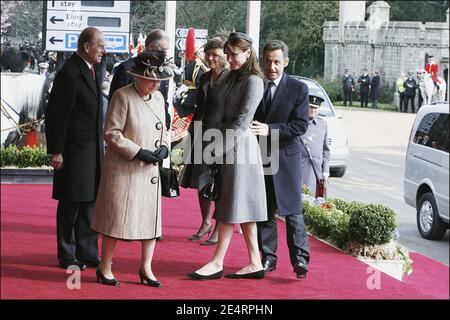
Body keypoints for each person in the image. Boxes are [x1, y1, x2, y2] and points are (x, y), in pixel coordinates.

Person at [187, 32, 267, 280]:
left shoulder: (253, 81)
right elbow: (213, 109)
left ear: (247, 53)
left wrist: (214, 151)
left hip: (239, 149)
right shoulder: (231, 76)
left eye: (233, 54)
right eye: (228, 53)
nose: (229, 58)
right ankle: (255, 261)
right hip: (226, 146)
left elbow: (242, 122)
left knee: (228, 206)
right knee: (240, 206)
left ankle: (217, 261)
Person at [91, 51, 173, 286]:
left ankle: (146, 269)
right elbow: (111, 133)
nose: (156, 85)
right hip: (124, 169)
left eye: (160, 80)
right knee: (116, 220)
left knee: (151, 222)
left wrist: (165, 148)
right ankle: (104, 266)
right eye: (152, 79)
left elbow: (164, 128)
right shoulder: (122, 96)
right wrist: (138, 151)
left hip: (149, 172)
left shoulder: (158, 98)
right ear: (137, 77)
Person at [45, 27, 106, 270]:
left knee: (89, 202)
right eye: (100, 45)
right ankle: (68, 254)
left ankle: (88, 251)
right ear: (86, 46)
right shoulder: (69, 72)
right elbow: (57, 115)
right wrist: (56, 150)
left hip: (91, 151)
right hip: (72, 151)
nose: (104, 50)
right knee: (71, 203)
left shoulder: (90, 69)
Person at [250, 40, 310, 279]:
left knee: (293, 212)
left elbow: (300, 125)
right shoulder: (256, 85)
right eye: (267, 61)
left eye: (276, 61)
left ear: (285, 61)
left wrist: (269, 130)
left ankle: (301, 261)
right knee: (264, 212)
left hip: (287, 159)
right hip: (260, 157)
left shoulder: (298, 88)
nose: (271, 66)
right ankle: (268, 258)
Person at [179, 38, 230, 246]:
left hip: (221, 136)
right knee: (201, 182)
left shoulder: (232, 79)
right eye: (208, 54)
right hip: (200, 132)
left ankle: (219, 227)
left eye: (215, 55)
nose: (210, 58)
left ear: (225, 56)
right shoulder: (205, 77)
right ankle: (205, 222)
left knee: (221, 184)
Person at [109, 29, 171, 130]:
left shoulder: (163, 71)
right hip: (130, 131)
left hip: (156, 132)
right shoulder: (126, 69)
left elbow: (163, 101)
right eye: (164, 50)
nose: (166, 54)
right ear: (152, 46)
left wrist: (165, 124)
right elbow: (115, 104)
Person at [300, 96, 330, 196]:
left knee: (317, 202)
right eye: (311, 107)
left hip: (317, 171)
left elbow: (326, 151)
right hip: (301, 169)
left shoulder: (323, 125)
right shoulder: (298, 123)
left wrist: (325, 171)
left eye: (316, 108)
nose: (313, 110)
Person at [175, 46, 210, 117]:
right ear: (199, 53)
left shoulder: (190, 63)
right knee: (196, 126)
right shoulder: (199, 66)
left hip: (185, 96)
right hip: (193, 100)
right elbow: (199, 84)